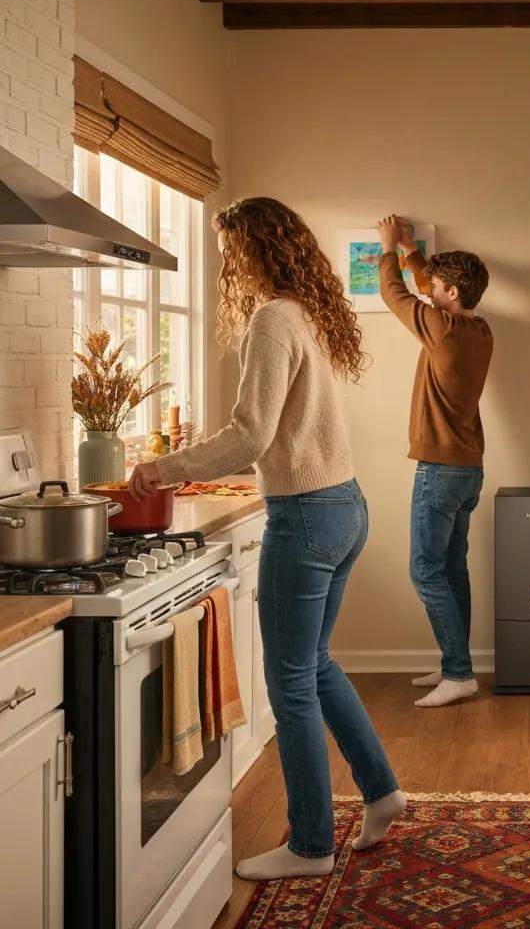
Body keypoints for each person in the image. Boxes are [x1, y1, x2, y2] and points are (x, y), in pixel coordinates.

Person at [129, 197, 405, 881]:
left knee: (290, 686)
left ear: (255, 248)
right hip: (345, 505)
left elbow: (250, 435)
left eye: (230, 250)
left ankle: (311, 845)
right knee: (315, 665)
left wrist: (156, 470)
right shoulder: (307, 312)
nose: (226, 263)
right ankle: (382, 791)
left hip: (306, 519)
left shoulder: (271, 319)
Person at [376, 215, 493, 707]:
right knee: (451, 570)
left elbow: (394, 295)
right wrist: (413, 250)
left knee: (425, 571)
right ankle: (454, 665)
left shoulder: (440, 329)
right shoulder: (479, 328)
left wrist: (388, 248)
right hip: (468, 468)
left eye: (438, 288)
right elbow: (430, 286)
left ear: (450, 293)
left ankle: (460, 672)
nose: (431, 292)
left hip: (440, 471)